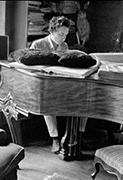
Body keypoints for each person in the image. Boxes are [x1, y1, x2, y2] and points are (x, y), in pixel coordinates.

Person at [30, 15, 87, 153]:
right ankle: (54, 138)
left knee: (84, 101)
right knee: (48, 104)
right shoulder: (38, 45)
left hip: (61, 83)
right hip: (44, 86)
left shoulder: (65, 45)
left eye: (66, 35)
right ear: (52, 31)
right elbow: (31, 71)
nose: (63, 38)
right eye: (61, 34)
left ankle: (77, 135)